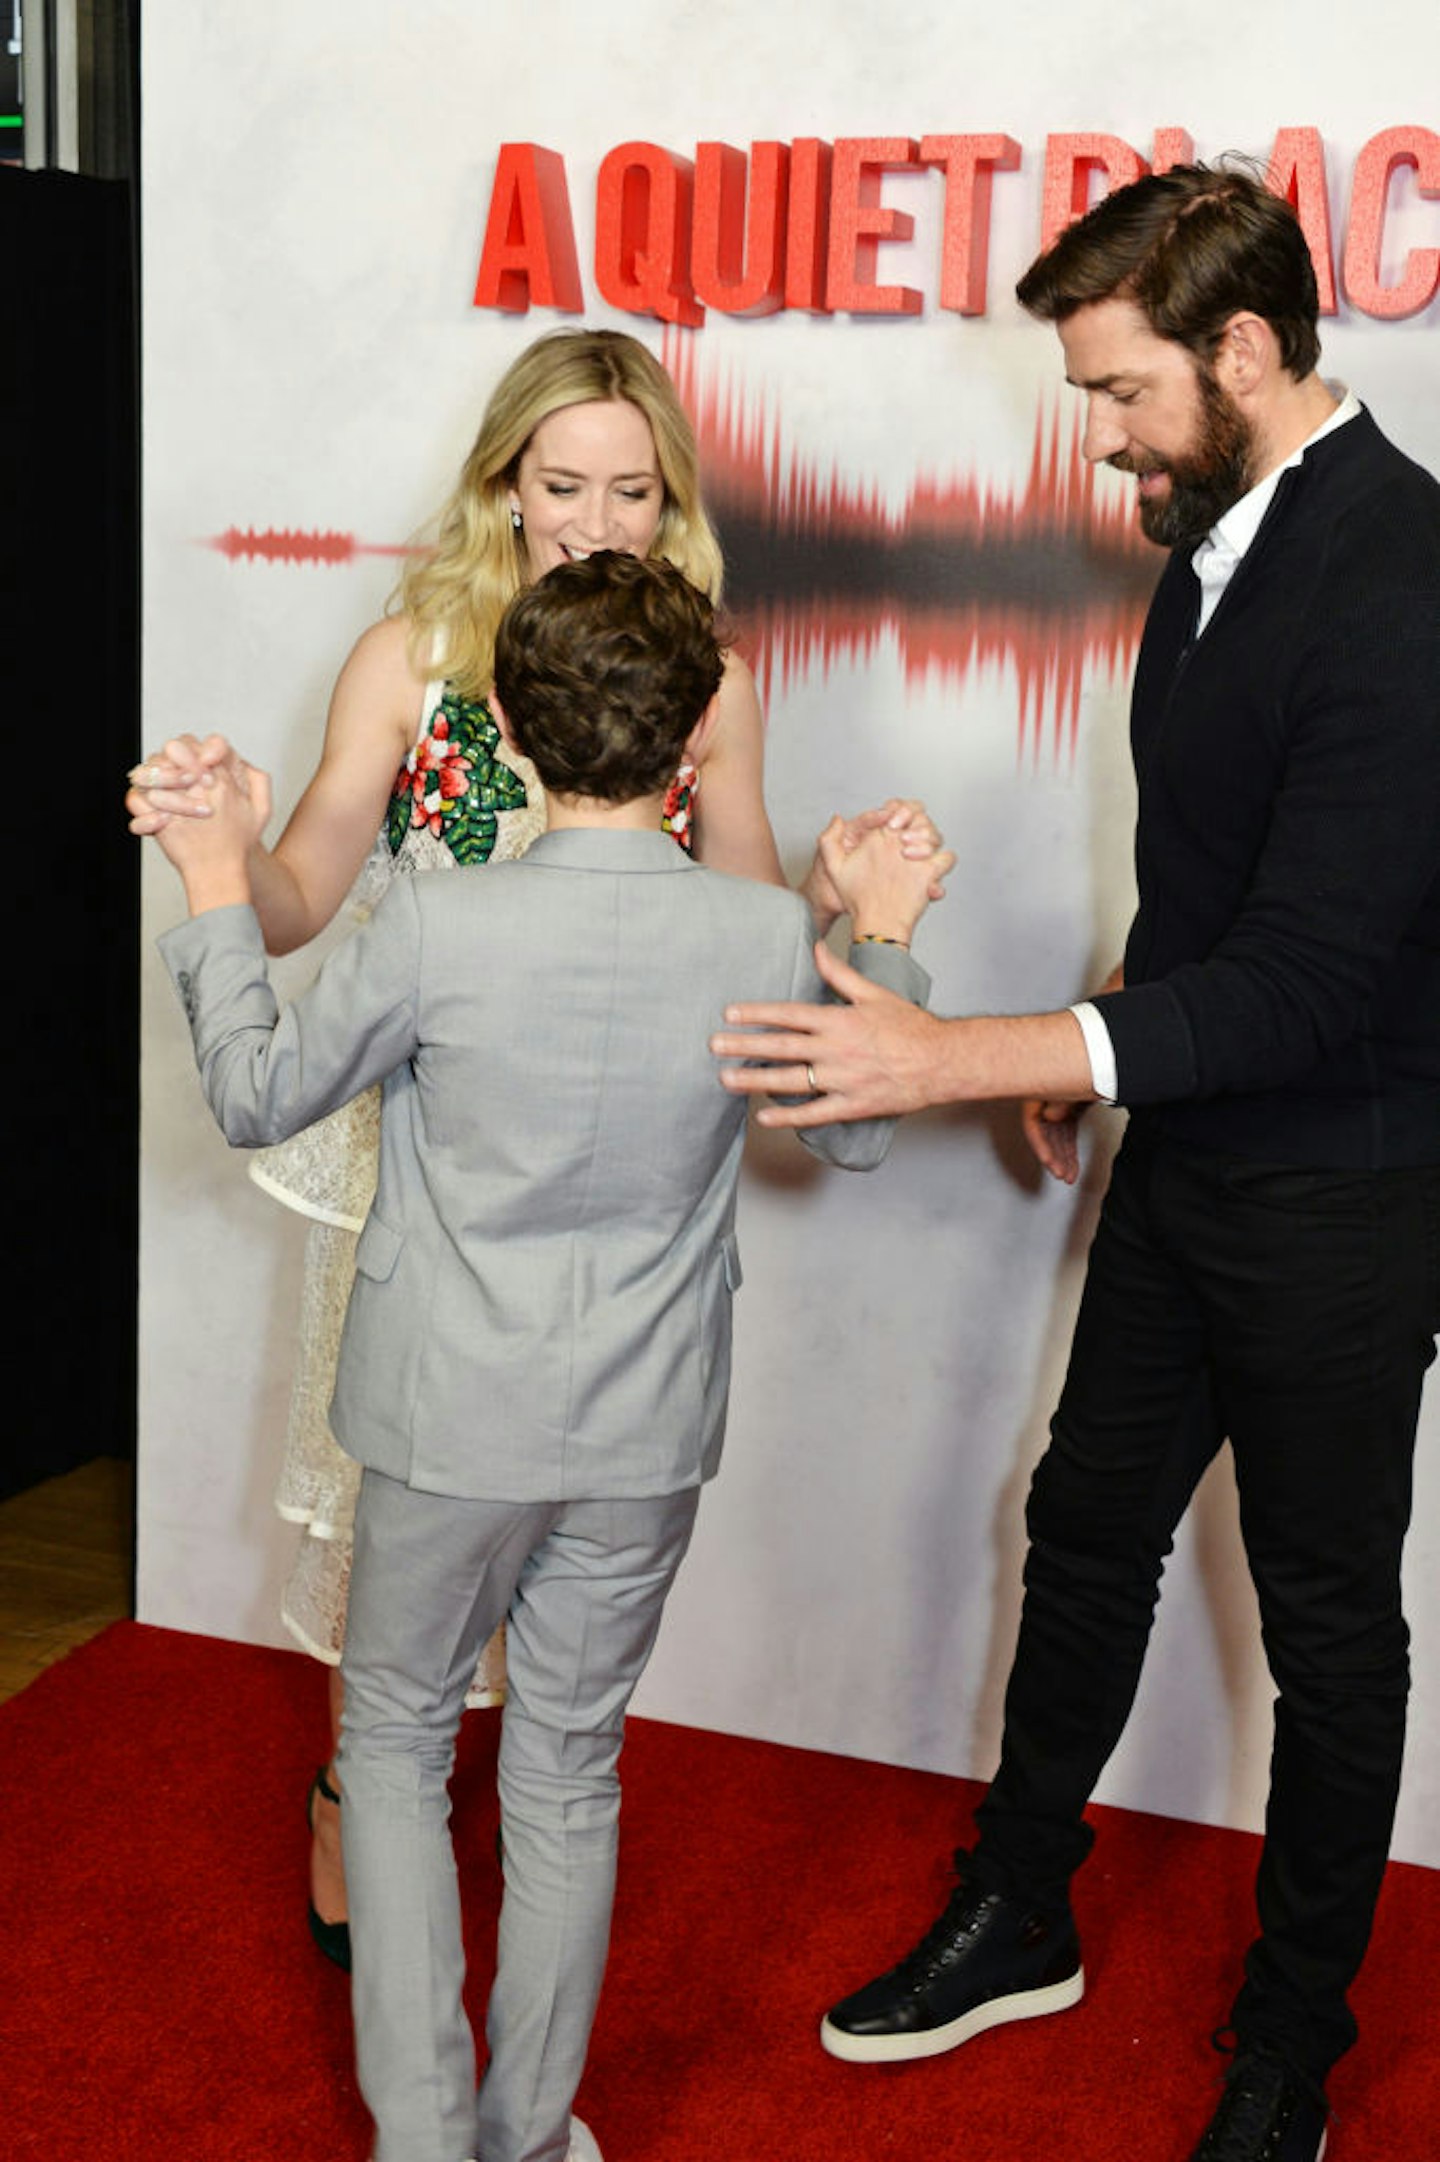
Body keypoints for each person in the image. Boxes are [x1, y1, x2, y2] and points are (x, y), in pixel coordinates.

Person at [709, 163, 1440, 2162]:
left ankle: (1291, 2038)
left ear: (1248, 349)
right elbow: (1232, 888)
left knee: (1326, 1625)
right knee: (1087, 1517)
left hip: (1344, 1199)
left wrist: (981, 1049)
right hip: (1188, 1155)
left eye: (1119, 391)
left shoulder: (1405, 579)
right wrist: (1109, 1019)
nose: (1097, 433)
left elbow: (1310, 978)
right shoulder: (1203, 543)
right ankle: (1026, 1901)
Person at [126, 326, 942, 1969]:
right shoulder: (414, 654)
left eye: (628, 490)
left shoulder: (707, 672)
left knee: (552, 1543)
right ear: (505, 484)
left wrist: (850, 919)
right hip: (419, 1138)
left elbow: (747, 910)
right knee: (390, 1519)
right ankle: (366, 1803)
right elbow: (302, 888)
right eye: (561, 484)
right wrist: (220, 852)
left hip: (612, 1152)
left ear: (672, 500)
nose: (590, 520)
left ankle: (448, 1816)